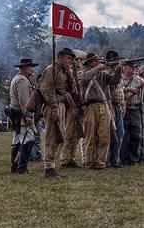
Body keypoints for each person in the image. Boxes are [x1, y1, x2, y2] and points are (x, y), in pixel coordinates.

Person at [79, 52, 122, 170]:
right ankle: (89, 163)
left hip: (103, 106)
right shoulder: (82, 73)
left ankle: (100, 163)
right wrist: (98, 68)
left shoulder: (103, 75)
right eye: (95, 61)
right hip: (90, 107)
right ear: (90, 63)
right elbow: (84, 78)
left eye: (98, 61)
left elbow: (115, 81)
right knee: (90, 138)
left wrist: (118, 68)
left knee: (104, 137)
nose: (98, 62)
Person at [38, 48, 76, 179]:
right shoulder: (51, 69)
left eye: (70, 59)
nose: (69, 61)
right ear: (59, 57)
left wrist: (70, 71)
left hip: (61, 104)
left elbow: (72, 88)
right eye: (67, 58)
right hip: (52, 105)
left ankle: (52, 165)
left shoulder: (65, 71)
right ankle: (49, 167)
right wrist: (54, 107)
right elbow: (46, 88)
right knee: (52, 136)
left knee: (61, 136)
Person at [9, 58, 39, 174]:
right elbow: (24, 100)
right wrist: (27, 115)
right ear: (22, 68)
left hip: (17, 114)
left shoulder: (19, 78)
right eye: (29, 67)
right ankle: (21, 168)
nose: (32, 69)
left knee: (17, 140)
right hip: (22, 115)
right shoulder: (22, 80)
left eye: (32, 66)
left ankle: (14, 166)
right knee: (29, 140)